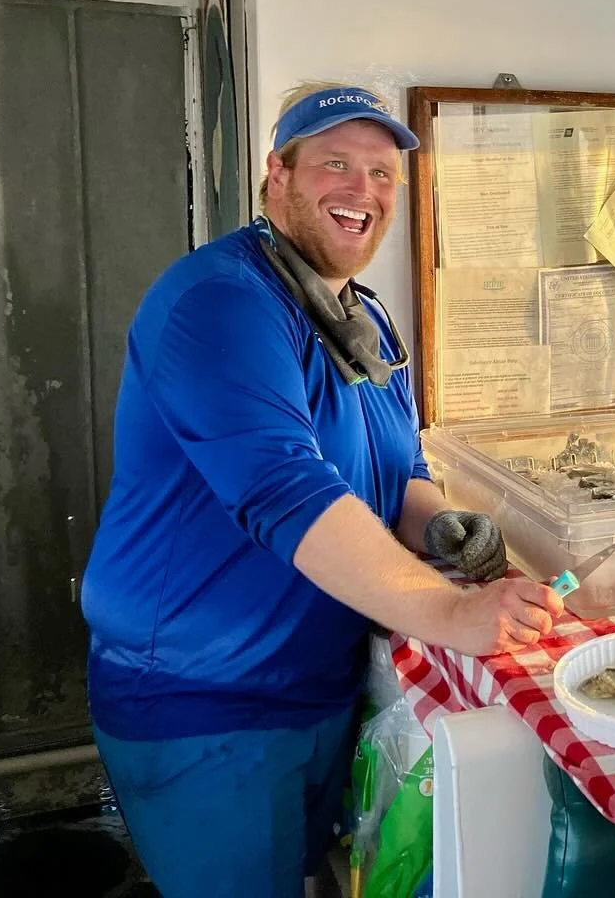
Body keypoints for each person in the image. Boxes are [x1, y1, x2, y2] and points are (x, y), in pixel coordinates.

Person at [80, 82, 563, 898]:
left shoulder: (361, 315)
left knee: (315, 878)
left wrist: (447, 527)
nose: (362, 190)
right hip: (208, 702)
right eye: (334, 164)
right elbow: (284, 487)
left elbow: (399, 466)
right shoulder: (222, 301)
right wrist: (451, 613)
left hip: (317, 684)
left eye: (381, 175)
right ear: (278, 176)